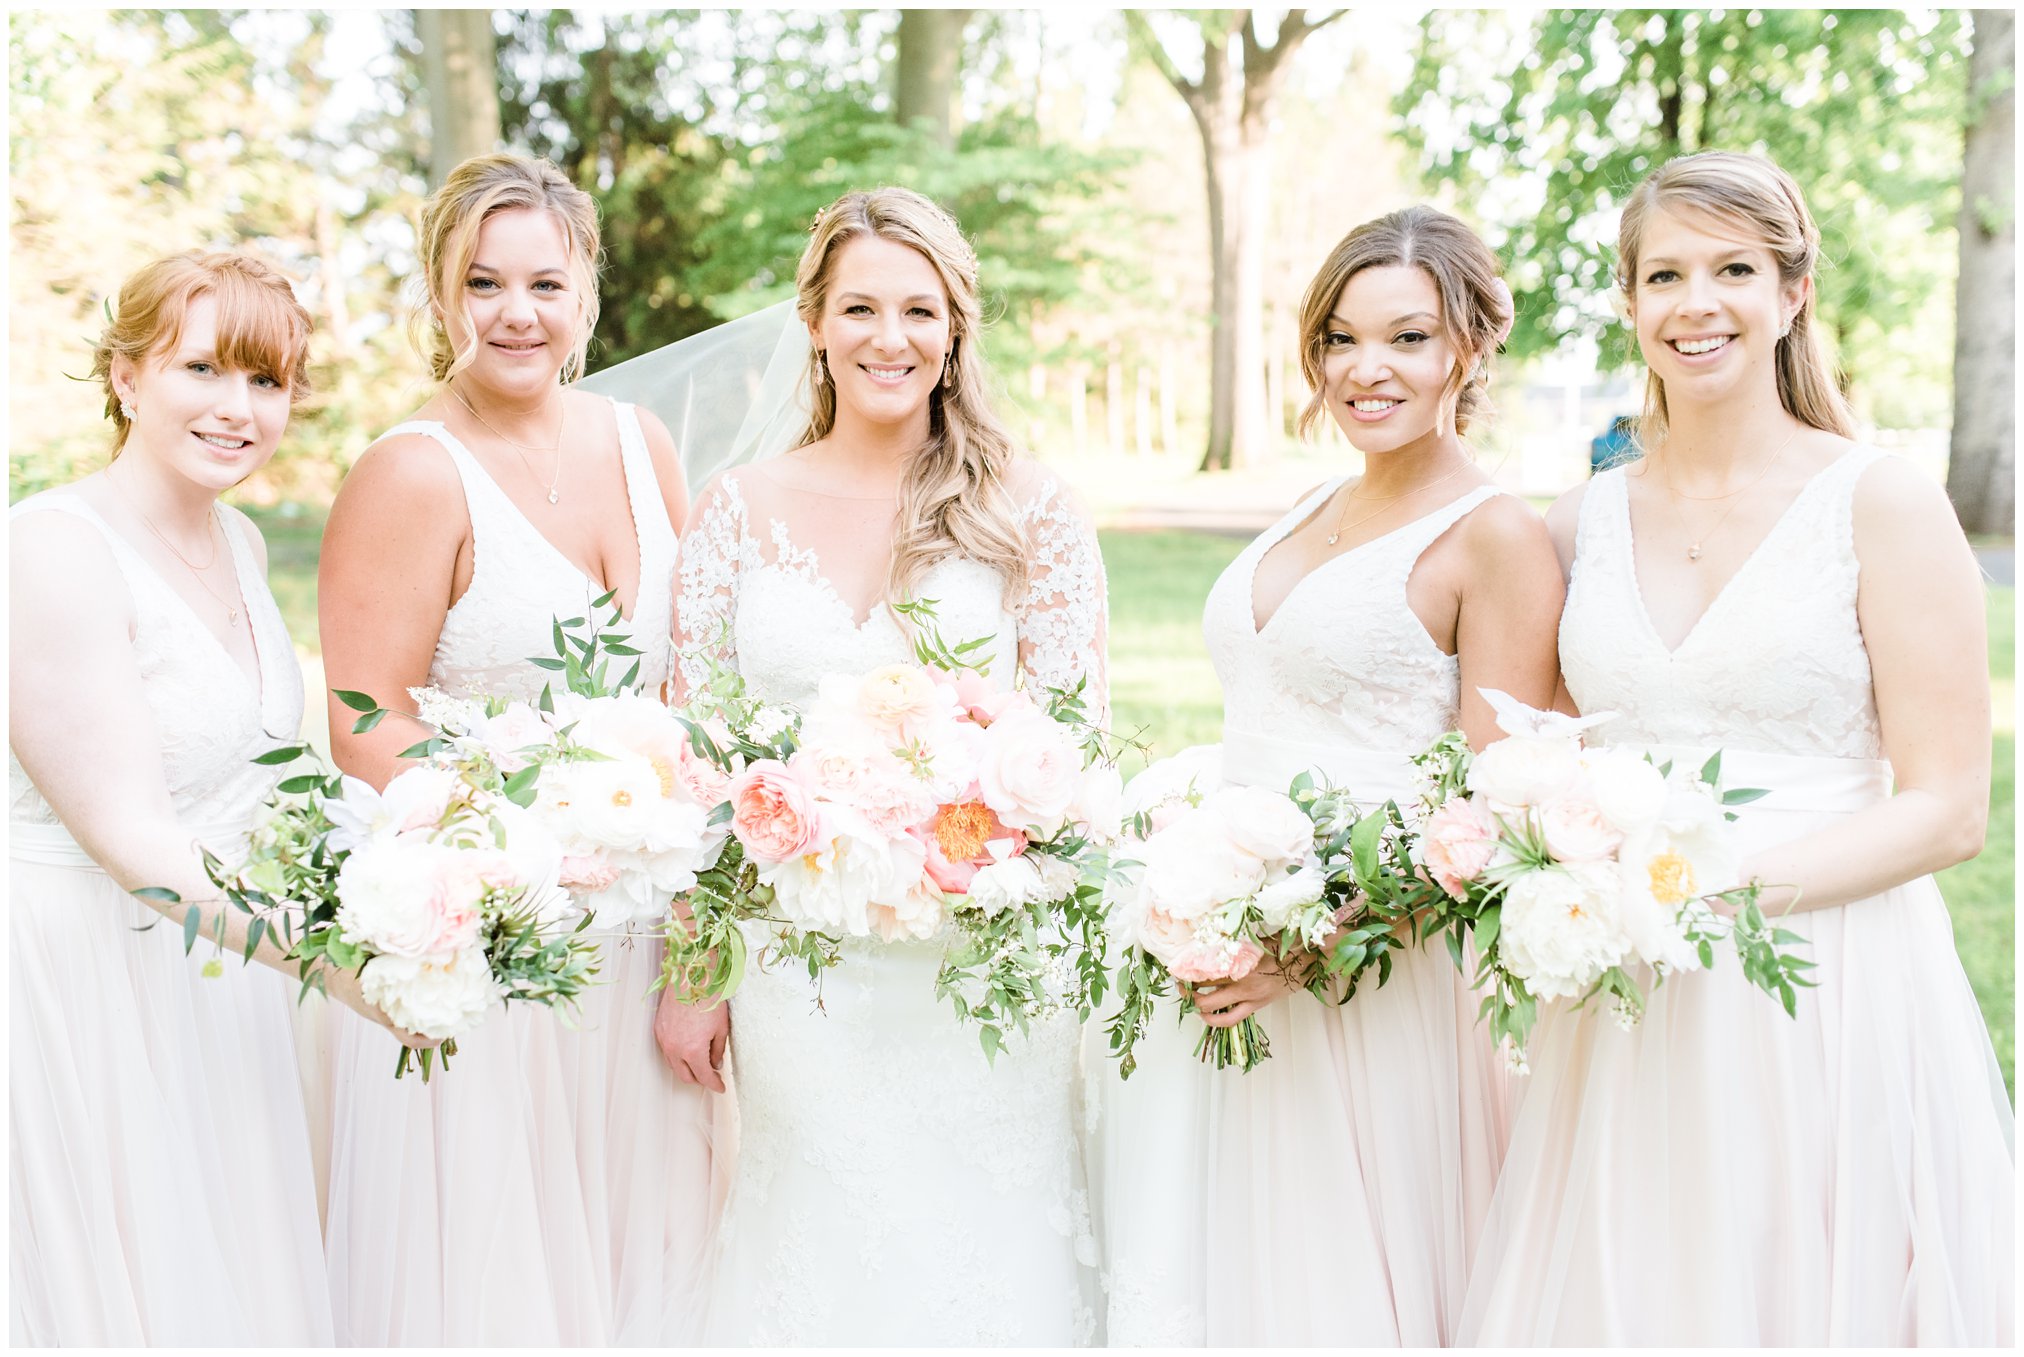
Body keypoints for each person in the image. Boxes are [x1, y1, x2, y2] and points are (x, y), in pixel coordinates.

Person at [1460, 150, 2015, 1345]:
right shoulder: (1579, 519)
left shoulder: (1880, 502)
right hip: (1622, 999)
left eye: (1731, 270)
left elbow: (1949, 808)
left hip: (1822, 983)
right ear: (1628, 301)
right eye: (1663, 274)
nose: (1694, 302)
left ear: (1790, 292)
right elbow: (1534, 756)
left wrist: (1693, 892)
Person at [651, 186, 1109, 1346]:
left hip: (980, 964)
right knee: (820, 1237)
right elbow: (698, 755)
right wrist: (693, 964)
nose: (888, 338)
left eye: (918, 309)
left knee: (983, 1246)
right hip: (797, 963)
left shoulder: (1030, 511)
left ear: (955, 327)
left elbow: (1074, 745)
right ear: (812, 321)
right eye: (858, 307)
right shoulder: (736, 511)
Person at [1122, 206, 1561, 1346]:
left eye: (1406, 338)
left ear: (1467, 345)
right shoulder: (1316, 501)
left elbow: (1490, 806)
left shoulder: (1495, 536)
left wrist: (1304, 941)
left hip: (1371, 979)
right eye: (1339, 338)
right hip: (1224, 954)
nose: (1365, 369)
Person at [315, 152, 713, 1345]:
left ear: (588, 291)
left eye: (544, 283)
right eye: (482, 283)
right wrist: (501, 834)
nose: (515, 313)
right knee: (506, 1273)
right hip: (505, 938)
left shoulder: (643, 442)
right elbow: (358, 711)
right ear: (441, 299)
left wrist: (700, 919)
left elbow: (691, 683)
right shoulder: (408, 470)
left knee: (652, 1248)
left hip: (650, 929)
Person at [8, 250, 413, 1343]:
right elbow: (134, 839)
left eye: (268, 382)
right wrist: (343, 968)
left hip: (228, 974)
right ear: (128, 376)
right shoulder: (53, 549)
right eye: (203, 369)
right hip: (95, 987)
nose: (240, 410)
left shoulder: (234, 538)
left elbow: (266, 788)